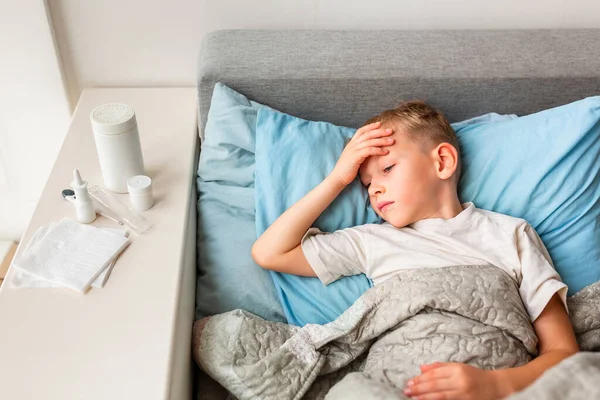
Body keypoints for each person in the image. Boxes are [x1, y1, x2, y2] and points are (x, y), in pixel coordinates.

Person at [251, 100, 579, 399]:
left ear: (443, 161)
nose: (374, 188)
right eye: (365, 185)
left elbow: (563, 352)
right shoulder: (372, 240)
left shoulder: (510, 235)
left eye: (388, 169)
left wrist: (495, 385)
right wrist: (337, 178)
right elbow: (270, 252)